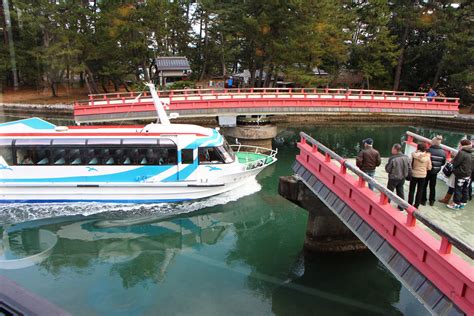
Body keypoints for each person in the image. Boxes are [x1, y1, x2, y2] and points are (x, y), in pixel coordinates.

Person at [421, 135, 446, 206]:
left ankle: (423, 200)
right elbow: (443, 163)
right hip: (435, 172)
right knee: (432, 186)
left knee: (424, 185)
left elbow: (424, 161)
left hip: (427, 171)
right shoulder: (443, 152)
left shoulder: (428, 150)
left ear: (432, 142)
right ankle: (432, 201)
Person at [447, 139, 472, 210]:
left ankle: (455, 204)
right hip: (468, 174)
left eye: (460, 144)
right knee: (465, 189)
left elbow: (455, 163)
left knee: (458, 189)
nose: (459, 145)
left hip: (460, 174)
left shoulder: (461, 152)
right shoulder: (471, 153)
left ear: (462, 145)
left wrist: (453, 168)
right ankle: (462, 203)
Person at [385, 143, 412, 209]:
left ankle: (386, 204)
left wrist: (386, 166)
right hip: (402, 177)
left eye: (392, 148)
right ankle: (401, 206)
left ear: (395, 149)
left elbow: (388, 169)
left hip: (393, 178)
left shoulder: (392, 158)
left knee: (389, 192)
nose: (391, 150)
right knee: (400, 192)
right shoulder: (406, 157)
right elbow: (409, 168)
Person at [408, 143, 432, 208]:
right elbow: (429, 167)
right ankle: (416, 205)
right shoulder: (427, 157)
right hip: (423, 175)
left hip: (414, 174)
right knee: (420, 190)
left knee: (412, 190)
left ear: (417, 148)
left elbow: (410, 163)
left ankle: (409, 204)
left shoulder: (414, 155)